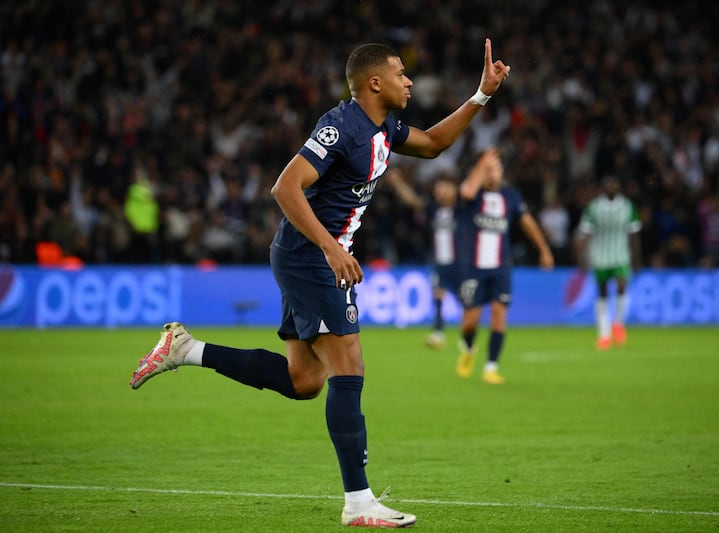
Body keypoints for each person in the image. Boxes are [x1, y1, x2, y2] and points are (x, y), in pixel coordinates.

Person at [130, 38, 511, 528]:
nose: (409, 80)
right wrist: (332, 248)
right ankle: (358, 502)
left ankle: (186, 350)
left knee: (305, 381)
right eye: (399, 73)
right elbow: (285, 186)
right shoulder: (340, 126)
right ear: (375, 82)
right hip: (311, 256)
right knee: (348, 365)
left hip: (312, 257)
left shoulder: (386, 126)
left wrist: (481, 95)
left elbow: (435, 144)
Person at [455, 148, 554, 385]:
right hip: (473, 268)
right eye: (487, 171)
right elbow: (467, 190)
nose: (491, 175)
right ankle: (469, 349)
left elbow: (528, 223)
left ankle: (491, 367)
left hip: (501, 268)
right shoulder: (473, 195)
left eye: (495, 170)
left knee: (499, 316)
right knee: (470, 322)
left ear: (502, 173)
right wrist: (483, 162)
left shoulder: (510, 197)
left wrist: (544, 250)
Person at [384, 169, 461, 350]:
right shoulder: (434, 209)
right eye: (438, 187)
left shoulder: (463, 209)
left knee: (467, 300)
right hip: (440, 260)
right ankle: (438, 333)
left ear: (454, 190)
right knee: (439, 295)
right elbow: (413, 201)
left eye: (445, 187)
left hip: (461, 262)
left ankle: (467, 335)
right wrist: (398, 184)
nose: (440, 191)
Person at [575, 175, 642, 350]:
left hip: (621, 255)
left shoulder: (628, 207)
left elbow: (633, 235)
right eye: (608, 185)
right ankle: (604, 335)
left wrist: (637, 259)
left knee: (622, 287)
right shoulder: (593, 207)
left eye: (614, 184)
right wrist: (582, 256)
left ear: (619, 188)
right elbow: (586, 233)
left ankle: (618, 323)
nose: (611, 187)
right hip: (600, 256)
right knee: (602, 293)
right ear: (602, 188)